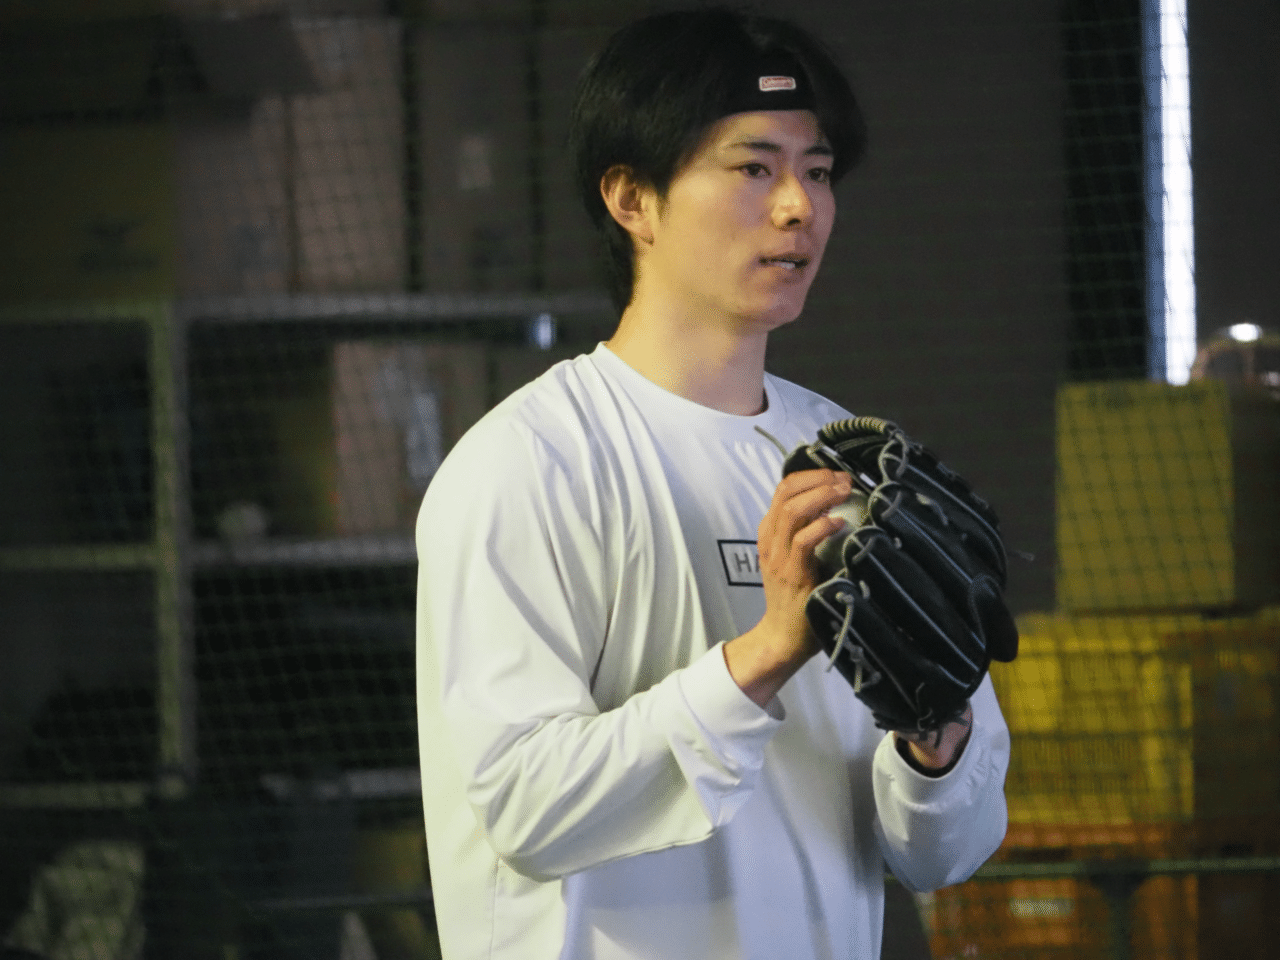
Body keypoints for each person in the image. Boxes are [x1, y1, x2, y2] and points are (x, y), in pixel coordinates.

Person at [415, 8, 1010, 959]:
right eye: (753, 168)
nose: (798, 207)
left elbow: (943, 857)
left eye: (818, 171)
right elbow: (526, 809)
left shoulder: (861, 466)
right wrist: (769, 651)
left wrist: (935, 740)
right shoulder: (529, 462)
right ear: (632, 200)